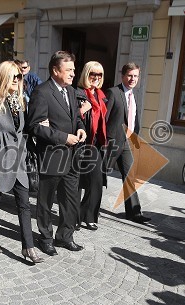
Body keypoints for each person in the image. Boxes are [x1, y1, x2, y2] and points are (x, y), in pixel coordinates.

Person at [26, 51, 87, 256]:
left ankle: (65, 236)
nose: (73, 73)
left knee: (70, 200)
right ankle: (45, 238)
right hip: (52, 156)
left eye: (73, 69)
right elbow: (34, 126)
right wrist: (63, 137)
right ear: (55, 70)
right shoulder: (42, 92)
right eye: (68, 70)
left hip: (72, 156)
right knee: (45, 200)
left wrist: (80, 128)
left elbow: (76, 117)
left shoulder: (71, 91)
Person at [0, 60, 45, 264]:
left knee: (24, 203)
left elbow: (24, 128)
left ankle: (28, 248)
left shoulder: (20, 101)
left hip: (18, 157)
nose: (18, 80)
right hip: (0, 156)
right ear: (3, 78)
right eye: (14, 77)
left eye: (19, 77)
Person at [105, 62, 151, 224]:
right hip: (111, 143)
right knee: (98, 175)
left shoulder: (133, 95)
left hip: (127, 144)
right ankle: (85, 210)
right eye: (130, 75)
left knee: (130, 176)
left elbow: (133, 120)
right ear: (123, 76)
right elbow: (104, 119)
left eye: (136, 76)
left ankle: (134, 213)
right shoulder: (113, 92)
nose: (133, 79)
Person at [76, 61, 106, 231]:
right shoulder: (78, 93)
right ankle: (74, 218)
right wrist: (81, 111)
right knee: (78, 184)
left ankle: (89, 216)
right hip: (81, 143)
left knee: (96, 182)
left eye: (99, 75)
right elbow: (72, 118)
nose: (96, 77)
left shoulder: (101, 96)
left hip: (96, 145)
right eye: (92, 74)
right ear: (86, 75)